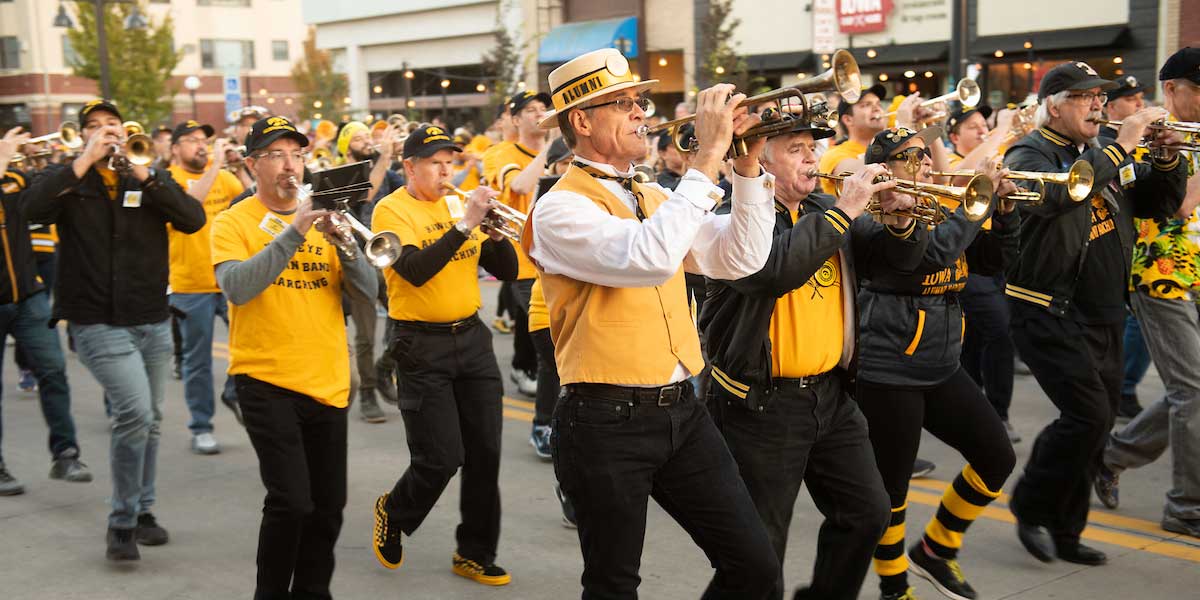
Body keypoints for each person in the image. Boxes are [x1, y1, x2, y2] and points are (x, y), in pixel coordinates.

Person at [524, 47, 779, 599]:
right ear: (582, 121)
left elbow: (741, 258)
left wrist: (748, 167)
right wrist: (709, 154)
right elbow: (650, 258)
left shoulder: (654, 193)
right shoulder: (559, 208)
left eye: (640, 100)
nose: (642, 111)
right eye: (623, 103)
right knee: (614, 586)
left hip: (682, 409)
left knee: (756, 566)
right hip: (603, 420)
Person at [700, 119, 903, 600]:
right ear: (758, 160)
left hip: (831, 397)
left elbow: (902, 266)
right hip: (762, 407)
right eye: (796, 149)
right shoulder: (734, 218)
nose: (813, 158)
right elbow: (775, 271)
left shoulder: (824, 208)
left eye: (813, 147)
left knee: (868, 512)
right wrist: (847, 209)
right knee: (758, 554)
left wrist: (900, 222)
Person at [1004, 61, 1188, 566]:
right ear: (1055, 105)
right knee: (1086, 417)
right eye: (1085, 96)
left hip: (1106, 309)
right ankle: (1030, 504)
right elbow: (1059, 196)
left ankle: (1067, 528)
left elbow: (1157, 204)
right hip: (1048, 309)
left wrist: (1169, 161)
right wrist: (1119, 146)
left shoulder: (1097, 152)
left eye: (1099, 96)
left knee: (1098, 425)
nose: (1097, 104)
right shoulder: (1029, 151)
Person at [22, 99, 207, 561]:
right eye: (95, 127)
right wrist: (83, 159)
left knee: (153, 421)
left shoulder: (143, 175)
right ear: (82, 134)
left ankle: (143, 511)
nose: (106, 133)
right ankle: (122, 520)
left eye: (113, 126)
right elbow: (30, 208)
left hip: (151, 317)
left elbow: (191, 218)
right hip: (96, 320)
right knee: (136, 414)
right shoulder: (68, 180)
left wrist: (146, 174)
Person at [210, 115, 377, 599]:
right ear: (251, 164)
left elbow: (369, 293)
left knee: (329, 506)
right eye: (278, 155)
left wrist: (345, 244)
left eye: (298, 155)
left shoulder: (327, 219)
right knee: (290, 501)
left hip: (326, 379)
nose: (291, 165)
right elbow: (238, 288)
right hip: (265, 377)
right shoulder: (232, 222)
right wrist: (294, 234)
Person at [852, 127, 1018, 600]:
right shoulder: (872, 219)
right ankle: (894, 586)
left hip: (942, 363)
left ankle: (937, 549)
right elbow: (931, 256)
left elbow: (992, 262)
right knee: (893, 490)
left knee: (996, 458)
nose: (925, 162)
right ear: (885, 170)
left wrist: (1004, 210)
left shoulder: (940, 209)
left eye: (925, 154)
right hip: (888, 370)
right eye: (910, 157)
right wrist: (974, 203)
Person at [370, 124, 518, 585]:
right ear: (409, 167)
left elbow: (509, 271)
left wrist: (493, 233)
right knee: (440, 457)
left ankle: (473, 552)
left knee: (485, 453)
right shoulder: (390, 209)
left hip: (471, 339)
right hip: (420, 344)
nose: (444, 170)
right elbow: (414, 270)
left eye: (449, 161)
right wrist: (465, 225)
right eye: (433, 162)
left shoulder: (460, 203)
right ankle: (393, 510)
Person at [1095, 47, 1200, 540]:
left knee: (1193, 392)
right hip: (1159, 273)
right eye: (1199, 89)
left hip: (1196, 271)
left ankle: (1113, 455)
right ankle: (1186, 507)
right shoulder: (1145, 132)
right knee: (1193, 392)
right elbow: (1172, 206)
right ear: (1172, 88)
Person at [0, 126, 92, 496]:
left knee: (54, 370)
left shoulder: (15, 176)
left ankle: (66, 453)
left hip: (29, 295)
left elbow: (47, 192)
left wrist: (71, 156)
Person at [167, 120, 245, 454]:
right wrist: (215, 163)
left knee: (249, 347)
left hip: (227, 279)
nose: (200, 145)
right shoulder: (168, 180)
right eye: (191, 140)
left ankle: (234, 392)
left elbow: (252, 201)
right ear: (174, 149)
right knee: (196, 361)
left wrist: (242, 167)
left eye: (204, 140)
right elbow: (190, 204)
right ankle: (201, 426)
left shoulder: (222, 176)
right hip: (190, 283)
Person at [945, 104, 1021, 442]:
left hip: (993, 253)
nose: (982, 131)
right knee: (1000, 331)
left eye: (984, 126)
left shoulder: (993, 156)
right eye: (973, 127)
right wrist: (1001, 130)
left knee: (975, 341)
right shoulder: (947, 162)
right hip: (966, 255)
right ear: (954, 136)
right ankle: (997, 413)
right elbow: (961, 177)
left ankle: (973, 409)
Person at [482, 90, 553, 397]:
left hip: (558, 252)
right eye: (531, 110)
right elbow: (521, 185)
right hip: (522, 257)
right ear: (514, 119)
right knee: (542, 327)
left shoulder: (561, 150)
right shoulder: (500, 153)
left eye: (543, 108)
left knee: (539, 323)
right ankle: (528, 372)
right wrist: (552, 150)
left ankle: (527, 367)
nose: (540, 114)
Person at [334, 120, 400, 422]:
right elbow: (365, 195)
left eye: (366, 135)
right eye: (358, 138)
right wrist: (384, 158)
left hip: (388, 256)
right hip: (358, 260)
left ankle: (385, 368)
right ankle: (368, 392)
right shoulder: (343, 173)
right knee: (365, 334)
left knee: (406, 321)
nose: (366, 141)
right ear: (346, 146)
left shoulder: (386, 171)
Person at [1101, 75, 1154, 419]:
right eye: (1131, 100)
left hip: (1142, 240)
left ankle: (1122, 386)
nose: (1140, 106)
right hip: (1128, 245)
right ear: (1110, 107)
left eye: (1140, 99)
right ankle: (1122, 387)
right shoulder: (1107, 143)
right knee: (1135, 321)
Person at [818, 84, 887, 195]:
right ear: (848, 120)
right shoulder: (833, 154)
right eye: (866, 105)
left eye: (878, 104)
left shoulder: (886, 147)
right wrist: (903, 131)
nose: (877, 108)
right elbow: (860, 174)